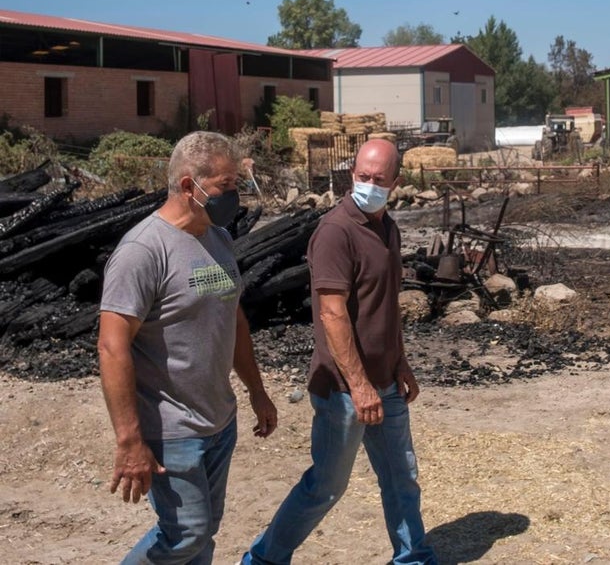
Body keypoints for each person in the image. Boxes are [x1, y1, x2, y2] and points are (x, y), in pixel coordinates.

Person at [243, 138, 436, 565]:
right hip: (344, 390)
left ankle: (413, 557)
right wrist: (360, 385)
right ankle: (263, 559)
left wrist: (399, 360)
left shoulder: (388, 227)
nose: (368, 185)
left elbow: (384, 304)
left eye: (378, 179)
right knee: (326, 486)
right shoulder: (336, 231)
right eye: (362, 177)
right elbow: (332, 314)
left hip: (384, 381)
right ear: (352, 176)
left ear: (396, 183)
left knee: (402, 479)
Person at [98, 131, 278, 564]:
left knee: (204, 533)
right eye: (225, 186)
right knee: (185, 535)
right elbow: (111, 346)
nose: (234, 196)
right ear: (187, 185)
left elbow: (232, 318)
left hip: (219, 421)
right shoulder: (144, 250)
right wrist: (129, 441)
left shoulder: (218, 238)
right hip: (171, 429)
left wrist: (256, 391)